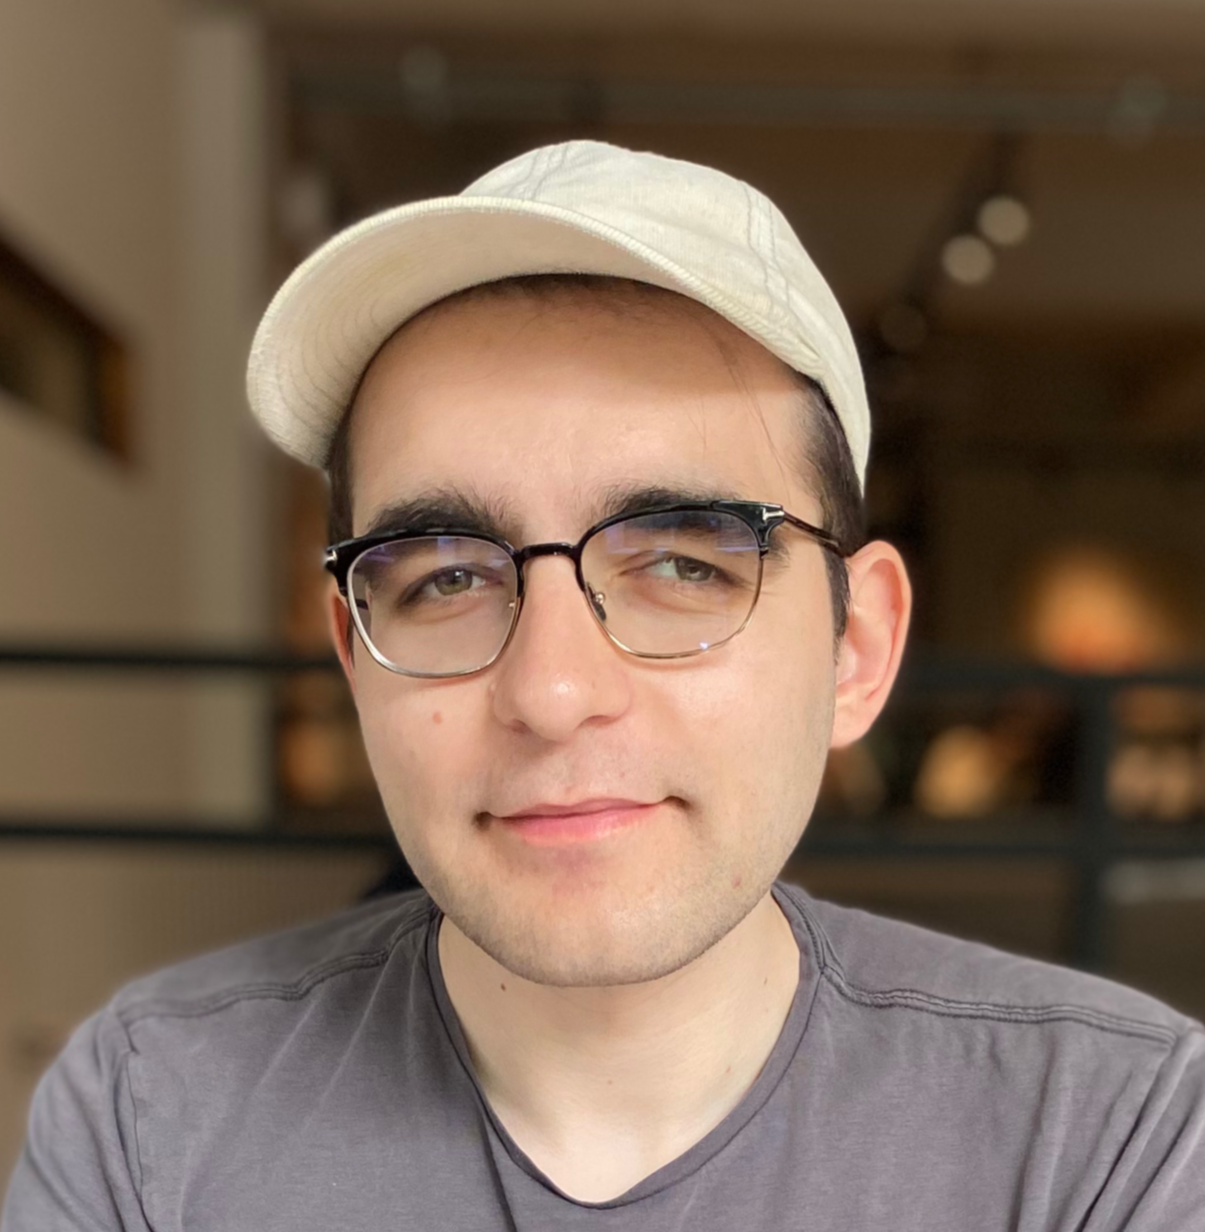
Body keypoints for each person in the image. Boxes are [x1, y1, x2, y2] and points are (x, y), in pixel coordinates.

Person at [4, 141, 1203, 1231]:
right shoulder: (147, 1116)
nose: (554, 690)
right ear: (351, 651)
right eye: (444, 577)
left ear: (857, 649)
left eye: (683, 564)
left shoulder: (1105, 1140)